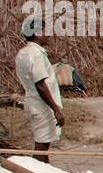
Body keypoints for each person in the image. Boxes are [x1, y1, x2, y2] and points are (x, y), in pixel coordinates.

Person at [14, 15, 65, 164]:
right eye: (45, 30)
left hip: (33, 101)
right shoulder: (36, 55)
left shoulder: (23, 53)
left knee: (42, 145)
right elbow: (41, 85)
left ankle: (43, 172)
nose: (48, 34)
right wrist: (56, 109)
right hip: (41, 104)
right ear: (37, 33)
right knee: (41, 147)